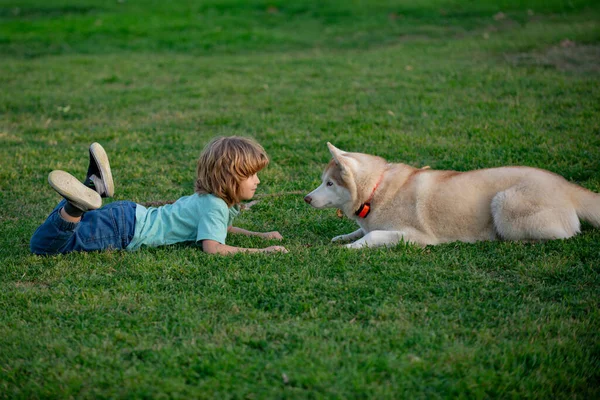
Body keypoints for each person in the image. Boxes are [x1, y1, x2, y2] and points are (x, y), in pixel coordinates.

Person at [30, 137, 288, 255]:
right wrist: (263, 250)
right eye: (251, 175)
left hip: (128, 214)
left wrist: (258, 235)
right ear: (231, 178)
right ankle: (76, 206)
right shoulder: (215, 206)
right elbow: (213, 247)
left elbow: (221, 229)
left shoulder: (211, 200)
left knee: (63, 231)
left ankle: (91, 189)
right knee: (43, 247)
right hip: (127, 231)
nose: (258, 181)